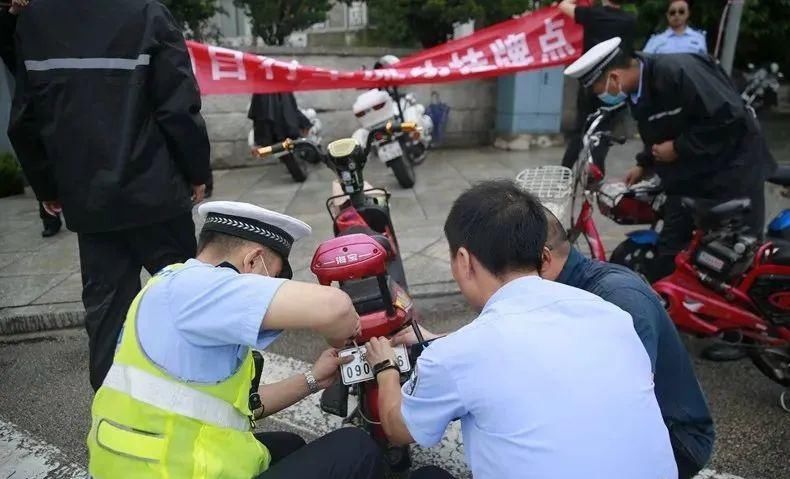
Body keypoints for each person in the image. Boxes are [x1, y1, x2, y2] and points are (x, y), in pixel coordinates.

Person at [365, 180, 678, 479]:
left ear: (463, 260)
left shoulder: (456, 356)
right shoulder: (610, 315)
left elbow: (397, 427)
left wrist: (385, 366)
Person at [87, 201, 384, 479]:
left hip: (144, 464)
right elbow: (335, 308)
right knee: (356, 447)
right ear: (253, 261)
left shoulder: (170, 286)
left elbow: (236, 408)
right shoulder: (197, 288)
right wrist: (345, 334)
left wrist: (314, 379)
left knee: (287, 445)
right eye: (275, 275)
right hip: (168, 470)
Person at [8, 0, 213, 390]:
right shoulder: (148, 13)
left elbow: (25, 119)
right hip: (156, 195)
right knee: (187, 303)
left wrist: (48, 187)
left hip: (91, 202)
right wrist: (197, 172)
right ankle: (203, 399)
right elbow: (178, 109)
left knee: (107, 317)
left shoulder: (36, 20)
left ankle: (112, 420)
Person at [565, 37, 776, 282]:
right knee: (674, 249)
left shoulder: (679, 71)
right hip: (689, 173)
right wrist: (644, 163)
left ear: (614, 78)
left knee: (736, 256)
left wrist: (678, 147)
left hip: (734, 170)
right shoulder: (637, 91)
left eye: (598, 91)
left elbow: (731, 117)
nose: (601, 97)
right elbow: (659, 128)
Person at [0, 1, 62, 237]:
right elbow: (8, 49)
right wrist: (14, 12)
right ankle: (49, 211)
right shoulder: (15, 19)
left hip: (66, 88)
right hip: (35, 94)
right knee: (37, 146)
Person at [557, 0, 636, 175]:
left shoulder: (592, 15)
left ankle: (563, 174)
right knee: (603, 131)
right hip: (615, 84)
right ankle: (596, 172)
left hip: (591, 83)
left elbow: (563, 5)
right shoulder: (630, 20)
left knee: (581, 130)